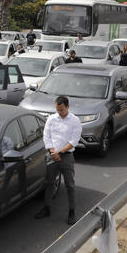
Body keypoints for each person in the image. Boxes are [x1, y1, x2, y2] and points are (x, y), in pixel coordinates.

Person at [34, 96, 82, 225]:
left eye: (61, 109)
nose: (59, 112)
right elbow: (46, 136)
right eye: (57, 109)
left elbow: (74, 141)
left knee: (70, 185)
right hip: (52, 155)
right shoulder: (51, 119)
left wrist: (60, 152)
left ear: (67, 107)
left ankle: (72, 211)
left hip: (66, 157)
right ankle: (47, 208)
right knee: (49, 183)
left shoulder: (75, 121)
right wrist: (52, 151)